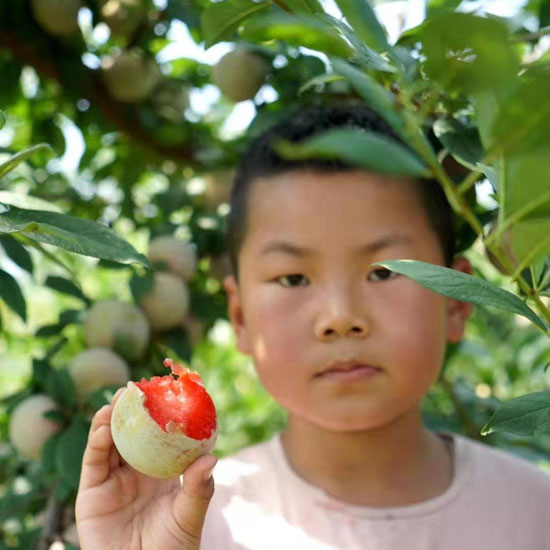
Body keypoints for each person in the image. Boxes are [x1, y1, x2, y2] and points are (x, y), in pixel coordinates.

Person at [75, 104, 550, 550]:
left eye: (384, 271)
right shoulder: (194, 523)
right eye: (293, 278)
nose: (340, 317)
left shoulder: (537, 511)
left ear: (457, 302)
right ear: (240, 316)